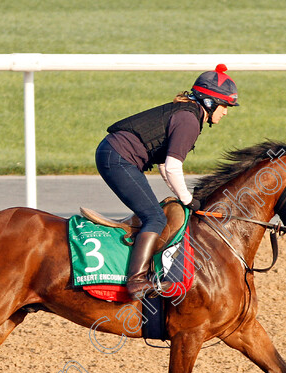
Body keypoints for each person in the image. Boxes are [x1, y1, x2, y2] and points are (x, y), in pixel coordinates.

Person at [95, 64, 238, 298]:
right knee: (155, 218)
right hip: (117, 158)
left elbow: (164, 165)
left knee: (153, 213)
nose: (226, 112)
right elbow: (172, 167)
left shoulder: (188, 113)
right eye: (225, 106)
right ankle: (136, 281)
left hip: (114, 154)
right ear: (210, 102)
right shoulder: (189, 120)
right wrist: (188, 199)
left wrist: (183, 198)